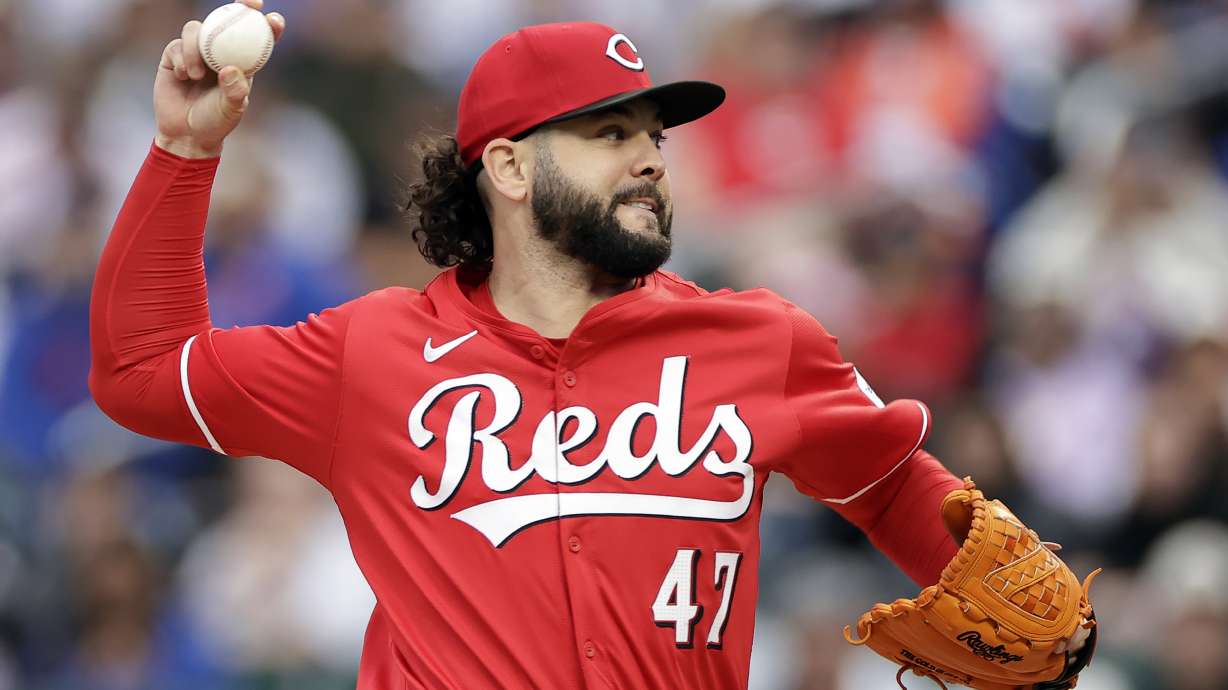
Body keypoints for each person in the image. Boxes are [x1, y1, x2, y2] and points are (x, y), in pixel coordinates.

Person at [90, 1, 968, 687]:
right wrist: (182, 151)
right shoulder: (376, 351)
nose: (652, 160)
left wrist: (1055, 632)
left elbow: (889, 487)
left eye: (653, 137)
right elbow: (140, 372)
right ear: (508, 169)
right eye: (609, 134)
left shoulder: (760, 342)